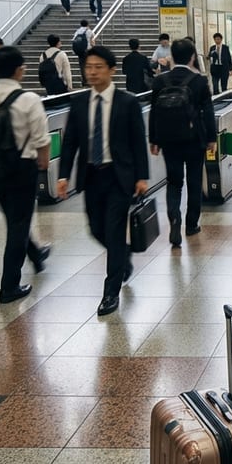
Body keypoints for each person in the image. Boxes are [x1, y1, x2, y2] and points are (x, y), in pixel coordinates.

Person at [56, 45, 150, 316]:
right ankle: (123, 256)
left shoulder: (127, 102)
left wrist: (142, 176)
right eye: (88, 67)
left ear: (111, 70)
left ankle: (110, 293)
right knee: (96, 229)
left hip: (119, 177)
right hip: (91, 176)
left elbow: (137, 142)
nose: (92, 72)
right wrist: (63, 175)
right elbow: (71, 142)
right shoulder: (79, 103)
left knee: (114, 229)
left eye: (98, 67)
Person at [0, 46, 52, 303]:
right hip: (22, 168)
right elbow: (41, 139)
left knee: (14, 217)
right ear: (19, 70)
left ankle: (36, 254)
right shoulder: (28, 99)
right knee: (19, 223)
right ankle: (9, 286)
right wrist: (44, 166)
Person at [150, 38, 217, 246]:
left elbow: (154, 111)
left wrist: (154, 139)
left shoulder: (160, 81)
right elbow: (208, 111)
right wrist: (211, 138)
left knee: (174, 182)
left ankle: (174, 218)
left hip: (169, 140)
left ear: (172, 56)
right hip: (194, 139)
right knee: (194, 181)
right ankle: (191, 224)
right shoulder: (198, 81)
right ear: (192, 57)